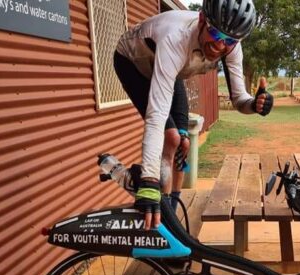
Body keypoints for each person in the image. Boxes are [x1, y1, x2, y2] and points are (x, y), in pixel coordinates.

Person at [113, 0, 274, 230]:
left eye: (229, 41)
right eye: (216, 34)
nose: (220, 46)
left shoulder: (232, 46)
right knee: (171, 137)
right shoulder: (175, 37)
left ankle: (171, 216)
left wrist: (256, 105)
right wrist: (149, 179)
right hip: (132, 62)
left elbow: (240, 100)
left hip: (171, 70)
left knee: (182, 142)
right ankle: (161, 217)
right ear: (201, 20)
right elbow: (156, 115)